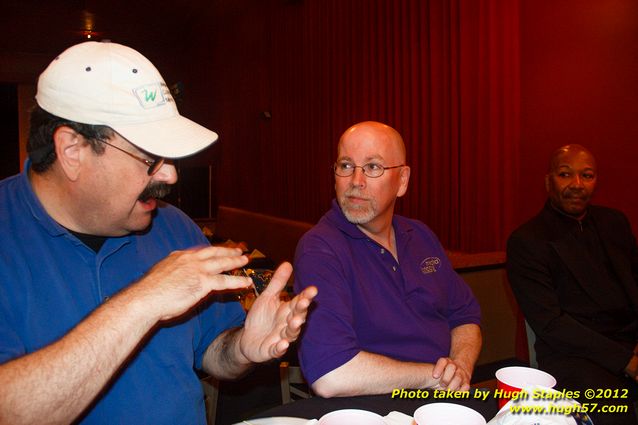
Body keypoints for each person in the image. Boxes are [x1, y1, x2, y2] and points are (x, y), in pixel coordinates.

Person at [0, 41, 317, 425]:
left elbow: (214, 351)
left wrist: (244, 350)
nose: (170, 175)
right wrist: (146, 299)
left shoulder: (173, 225)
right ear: (72, 150)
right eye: (150, 159)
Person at [293, 121, 482, 397]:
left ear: (402, 181)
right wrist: (435, 377)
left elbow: (465, 315)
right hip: (373, 408)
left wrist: (460, 369)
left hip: (442, 399)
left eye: (372, 167)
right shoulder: (320, 248)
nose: (356, 181)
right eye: (346, 166)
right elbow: (330, 375)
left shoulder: (419, 235)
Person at [506, 144, 638, 425]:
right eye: (566, 175)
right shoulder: (527, 240)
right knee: (614, 412)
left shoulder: (615, 223)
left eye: (587, 176)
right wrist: (626, 360)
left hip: (629, 341)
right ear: (548, 180)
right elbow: (551, 323)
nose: (577, 185)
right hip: (573, 355)